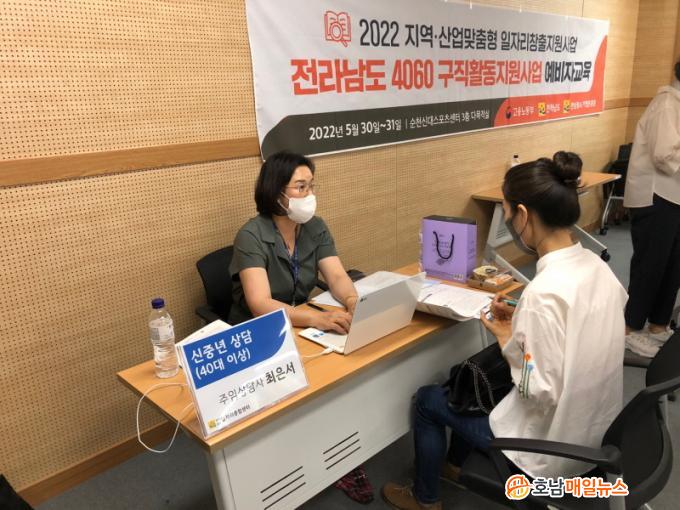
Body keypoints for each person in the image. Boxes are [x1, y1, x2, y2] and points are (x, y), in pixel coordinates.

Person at [382, 152, 627, 510]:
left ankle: (425, 499)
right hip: (596, 434)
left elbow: (537, 391)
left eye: (510, 213)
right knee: (469, 382)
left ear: (524, 215)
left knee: (429, 400)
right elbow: (585, 326)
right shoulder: (596, 267)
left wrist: (508, 339)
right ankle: (454, 466)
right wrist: (524, 321)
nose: (511, 221)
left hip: (545, 452)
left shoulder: (544, 293)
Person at [228, 151, 374, 504]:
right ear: (276, 191)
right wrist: (316, 318)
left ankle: (338, 454)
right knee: (309, 388)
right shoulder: (251, 235)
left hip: (301, 324)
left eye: (311, 186)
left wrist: (353, 301)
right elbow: (259, 303)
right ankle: (288, 462)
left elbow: (336, 275)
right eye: (301, 187)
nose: (309, 194)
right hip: (261, 331)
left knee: (339, 375)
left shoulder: (315, 227)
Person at [622, 59, 680, 358]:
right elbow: (664, 155)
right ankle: (629, 329)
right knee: (651, 265)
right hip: (655, 197)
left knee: (673, 265)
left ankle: (658, 325)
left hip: (675, 197)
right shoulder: (667, 103)